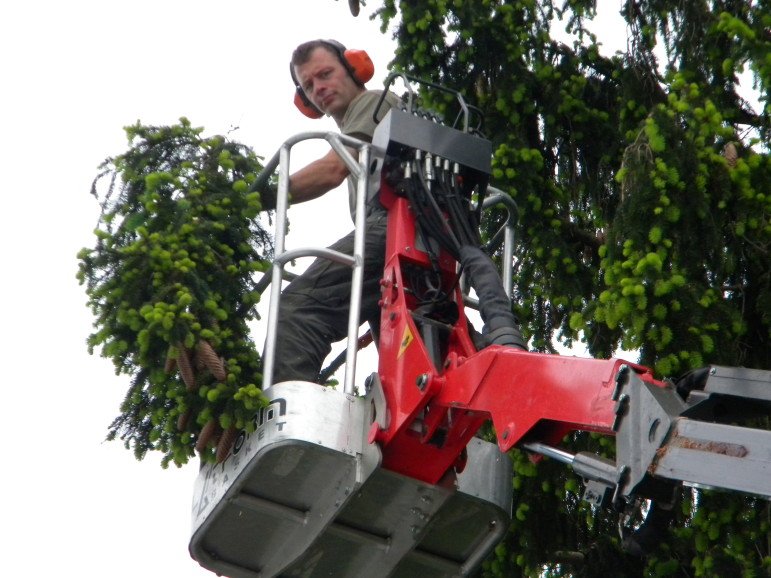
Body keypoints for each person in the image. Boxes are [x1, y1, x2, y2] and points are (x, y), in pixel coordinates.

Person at [270, 39, 402, 384]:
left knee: (297, 309)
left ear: (355, 68)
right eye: (309, 85)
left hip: (396, 227)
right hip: (412, 240)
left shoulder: (374, 103)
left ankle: (290, 424)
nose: (319, 89)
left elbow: (329, 171)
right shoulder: (358, 143)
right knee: (406, 360)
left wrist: (255, 198)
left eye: (325, 74)